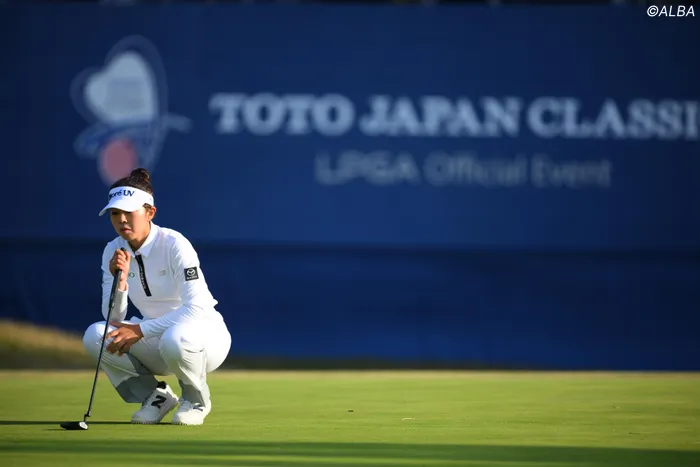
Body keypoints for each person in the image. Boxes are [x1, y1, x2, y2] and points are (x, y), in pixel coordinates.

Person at [82, 168, 231, 425]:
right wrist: (120, 282)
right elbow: (112, 317)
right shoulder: (112, 250)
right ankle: (155, 397)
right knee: (96, 336)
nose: (121, 220)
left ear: (150, 212)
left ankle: (196, 401)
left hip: (205, 339)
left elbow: (196, 308)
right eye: (115, 213)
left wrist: (141, 330)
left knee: (175, 337)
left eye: (129, 212)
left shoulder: (175, 244)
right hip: (154, 339)